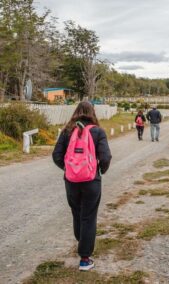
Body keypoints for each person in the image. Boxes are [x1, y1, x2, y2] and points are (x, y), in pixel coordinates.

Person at [52, 101, 112, 271]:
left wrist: (69, 169)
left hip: (71, 181)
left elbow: (56, 155)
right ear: (92, 112)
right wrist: (99, 170)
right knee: (89, 216)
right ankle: (85, 259)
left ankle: (81, 242)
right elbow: (106, 157)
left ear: (76, 112)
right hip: (91, 181)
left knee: (77, 213)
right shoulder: (98, 131)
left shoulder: (67, 131)